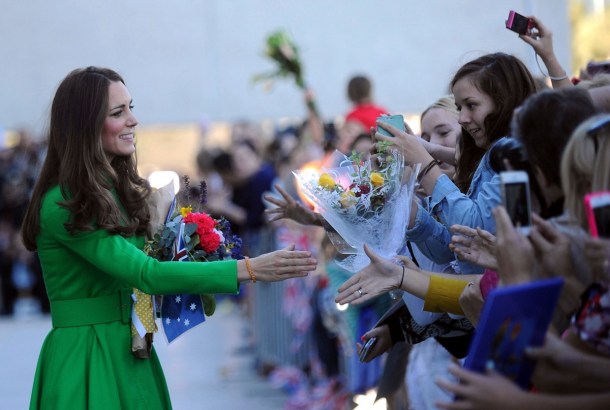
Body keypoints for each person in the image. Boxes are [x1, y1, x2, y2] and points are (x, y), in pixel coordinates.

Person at [20, 66, 318, 409]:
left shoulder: (113, 192)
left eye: (132, 107)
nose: (133, 120)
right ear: (85, 126)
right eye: (119, 113)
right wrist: (248, 268)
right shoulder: (63, 203)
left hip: (131, 347)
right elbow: (147, 274)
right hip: (86, 357)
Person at [337, 75, 388, 154]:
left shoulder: (351, 116)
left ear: (350, 93)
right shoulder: (382, 112)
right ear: (369, 90)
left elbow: (345, 145)